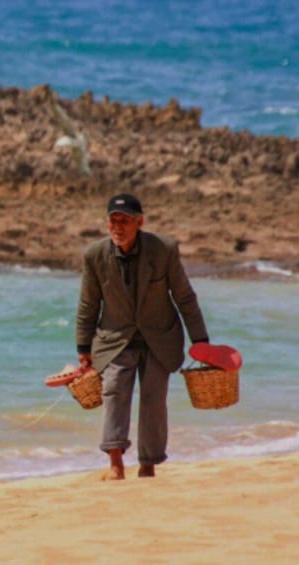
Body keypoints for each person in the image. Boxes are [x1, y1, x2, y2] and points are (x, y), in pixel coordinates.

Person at [75, 193, 209, 480]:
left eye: (124, 221)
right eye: (113, 220)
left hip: (159, 337)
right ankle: (115, 464)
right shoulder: (95, 255)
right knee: (114, 392)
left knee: (153, 400)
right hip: (114, 338)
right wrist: (83, 347)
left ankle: (148, 464)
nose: (118, 227)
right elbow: (88, 304)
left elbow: (184, 296)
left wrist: (201, 341)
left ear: (140, 222)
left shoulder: (163, 250)